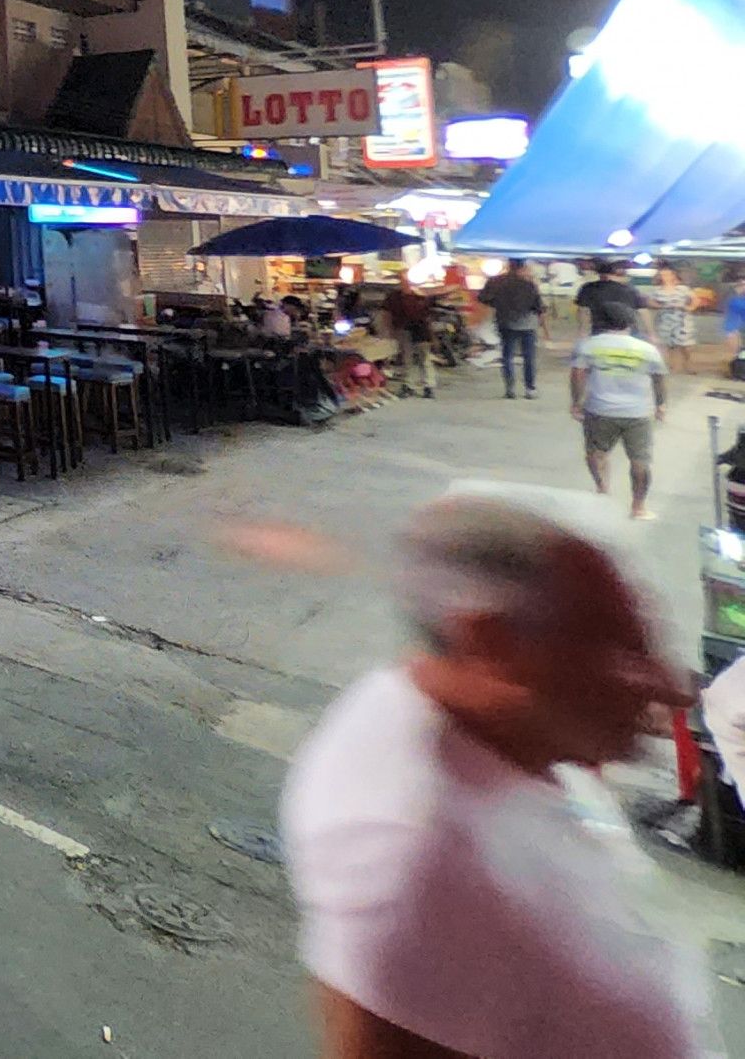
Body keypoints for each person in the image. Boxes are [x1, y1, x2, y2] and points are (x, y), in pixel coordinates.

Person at [281, 494, 706, 1059]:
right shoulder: (411, 857)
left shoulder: (485, 734)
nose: (671, 687)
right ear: (490, 643)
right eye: (619, 648)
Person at [571, 305, 670, 521]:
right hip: (638, 413)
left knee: (596, 453)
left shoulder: (588, 346)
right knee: (640, 461)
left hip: (599, 409)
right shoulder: (647, 349)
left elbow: (578, 375)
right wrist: (661, 404)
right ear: (629, 323)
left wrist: (576, 402)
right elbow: (659, 378)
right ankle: (638, 507)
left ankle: (602, 489)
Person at [480, 257, 549, 399]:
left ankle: (510, 389)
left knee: (507, 355)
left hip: (505, 322)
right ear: (522, 267)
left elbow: (483, 298)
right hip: (527, 323)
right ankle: (530, 389)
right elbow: (538, 306)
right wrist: (544, 327)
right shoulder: (528, 284)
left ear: (509, 265)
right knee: (528, 356)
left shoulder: (496, 281)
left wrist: (498, 304)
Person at [382, 278, 437, 398]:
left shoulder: (421, 296)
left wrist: (431, 336)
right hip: (404, 330)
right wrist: (390, 330)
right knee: (407, 359)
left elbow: (428, 317)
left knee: (424, 359)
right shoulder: (394, 297)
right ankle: (409, 385)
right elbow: (387, 313)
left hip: (421, 331)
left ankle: (428, 386)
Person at [575, 258, 643, 337]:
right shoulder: (629, 289)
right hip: (628, 330)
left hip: (600, 329)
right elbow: (642, 310)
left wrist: (583, 331)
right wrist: (652, 333)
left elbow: (583, 311)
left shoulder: (588, 288)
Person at [647, 270, 697, 373]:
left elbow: (695, 299)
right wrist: (662, 306)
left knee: (686, 345)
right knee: (669, 345)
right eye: (662, 275)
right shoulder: (657, 290)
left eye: (667, 275)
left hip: (682, 320)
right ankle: (672, 366)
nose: (664, 277)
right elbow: (650, 302)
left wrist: (689, 308)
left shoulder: (683, 289)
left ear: (673, 276)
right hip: (665, 320)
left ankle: (689, 365)